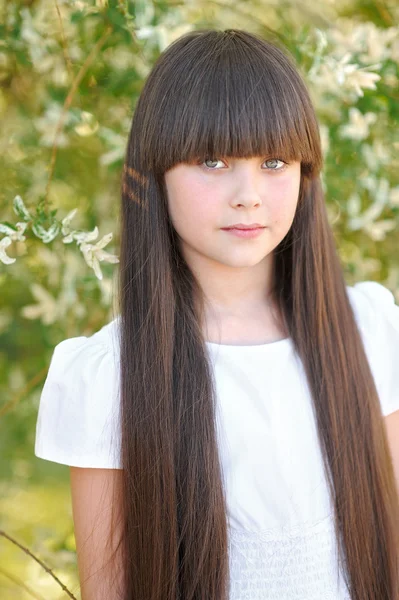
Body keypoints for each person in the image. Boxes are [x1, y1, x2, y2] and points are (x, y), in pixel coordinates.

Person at [34, 28, 399, 600]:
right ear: (151, 177)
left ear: (306, 175)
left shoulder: (368, 331)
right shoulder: (113, 375)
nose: (248, 193)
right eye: (213, 160)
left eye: (275, 161)